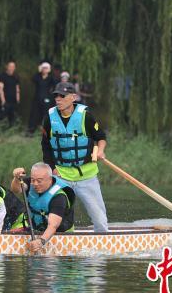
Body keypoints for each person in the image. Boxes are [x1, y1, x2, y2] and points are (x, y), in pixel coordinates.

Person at [41, 81, 109, 232]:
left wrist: (101, 150)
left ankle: (103, 239)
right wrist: (52, 168)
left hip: (87, 175)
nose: (58, 99)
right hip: (61, 176)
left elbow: (101, 136)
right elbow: (46, 146)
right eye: (56, 96)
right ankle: (61, 241)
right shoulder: (49, 118)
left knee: (99, 219)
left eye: (62, 96)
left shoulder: (86, 117)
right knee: (57, 216)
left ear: (73, 97)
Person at [10, 162, 77, 253]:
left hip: (61, 235)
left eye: (39, 181)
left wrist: (41, 241)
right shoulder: (31, 184)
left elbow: (53, 226)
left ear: (50, 179)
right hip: (37, 229)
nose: (35, 184)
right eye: (33, 180)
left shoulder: (59, 197)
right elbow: (16, 189)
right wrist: (17, 178)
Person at [28, 61, 57, 134]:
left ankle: (46, 131)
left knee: (45, 115)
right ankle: (31, 131)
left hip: (46, 99)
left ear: (49, 69)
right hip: (37, 99)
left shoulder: (51, 78)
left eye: (46, 68)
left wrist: (51, 97)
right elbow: (33, 79)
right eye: (43, 68)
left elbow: (55, 87)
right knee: (34, 114)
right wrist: (38, 71)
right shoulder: (38, 77)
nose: (45, 70)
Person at [0, 61, 21, 126]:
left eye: (13, 67)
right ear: (7, 67)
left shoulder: (16, 76)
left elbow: (17, 89)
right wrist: (3, 101)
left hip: (13, 100)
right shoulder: (2, 76)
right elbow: (0, 89)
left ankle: (11, 132)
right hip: (5, 100)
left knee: (12, 118)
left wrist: (18, 99)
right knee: (2, 117)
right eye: (10, 66)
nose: (11, 68)